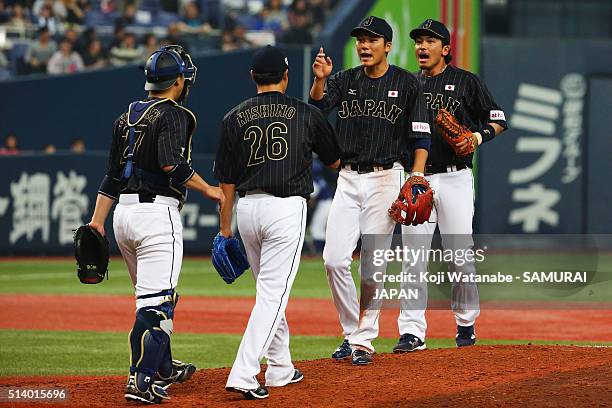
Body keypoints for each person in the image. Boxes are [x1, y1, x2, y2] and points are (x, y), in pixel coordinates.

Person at [86, 45, 223, 403]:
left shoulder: (125, 117)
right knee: (157, 306)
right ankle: (140, 380)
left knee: (151, 298)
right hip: (157, 214)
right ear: (179, 81)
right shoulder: (176, 114)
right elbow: (170, 164)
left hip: (123, 218)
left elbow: (112, 177)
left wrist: (97, 222)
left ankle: (162, 366)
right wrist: (209, 189)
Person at [216, 45, 340, 400]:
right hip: (286, 209)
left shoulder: (232, 117)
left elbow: (226, 182)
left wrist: (225, 227)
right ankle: (243, 373)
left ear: (253, 77)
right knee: (273, 295)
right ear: (286, 76)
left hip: (248, 209)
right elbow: (333, 161)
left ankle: (281, 367)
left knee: (268, 291)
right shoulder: (304, 113)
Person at [309, 16, 431, 365]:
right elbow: (318, 108)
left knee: (372, 266)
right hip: (347, 179)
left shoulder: (407, 84)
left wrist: (416, 177)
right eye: (361, 39)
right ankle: (352, 331)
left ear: (387, 46)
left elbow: (421, 136)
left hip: (385, 177)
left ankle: (363, 339)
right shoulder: (345, 79)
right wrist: (320, 81)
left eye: (372, 39)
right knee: (334, 260)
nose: (364, 45)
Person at [393, 19, 508, 353]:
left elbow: (498, 119)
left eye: (429, 41)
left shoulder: (465, 82)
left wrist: (475, 136)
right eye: (418, 41)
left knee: (460, 254)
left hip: (456, 176)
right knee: (413, 256)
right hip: (419, 177)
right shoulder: (408, 84)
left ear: (445, 49)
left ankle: (466, 324)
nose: (421, 47)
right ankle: (412, 332)